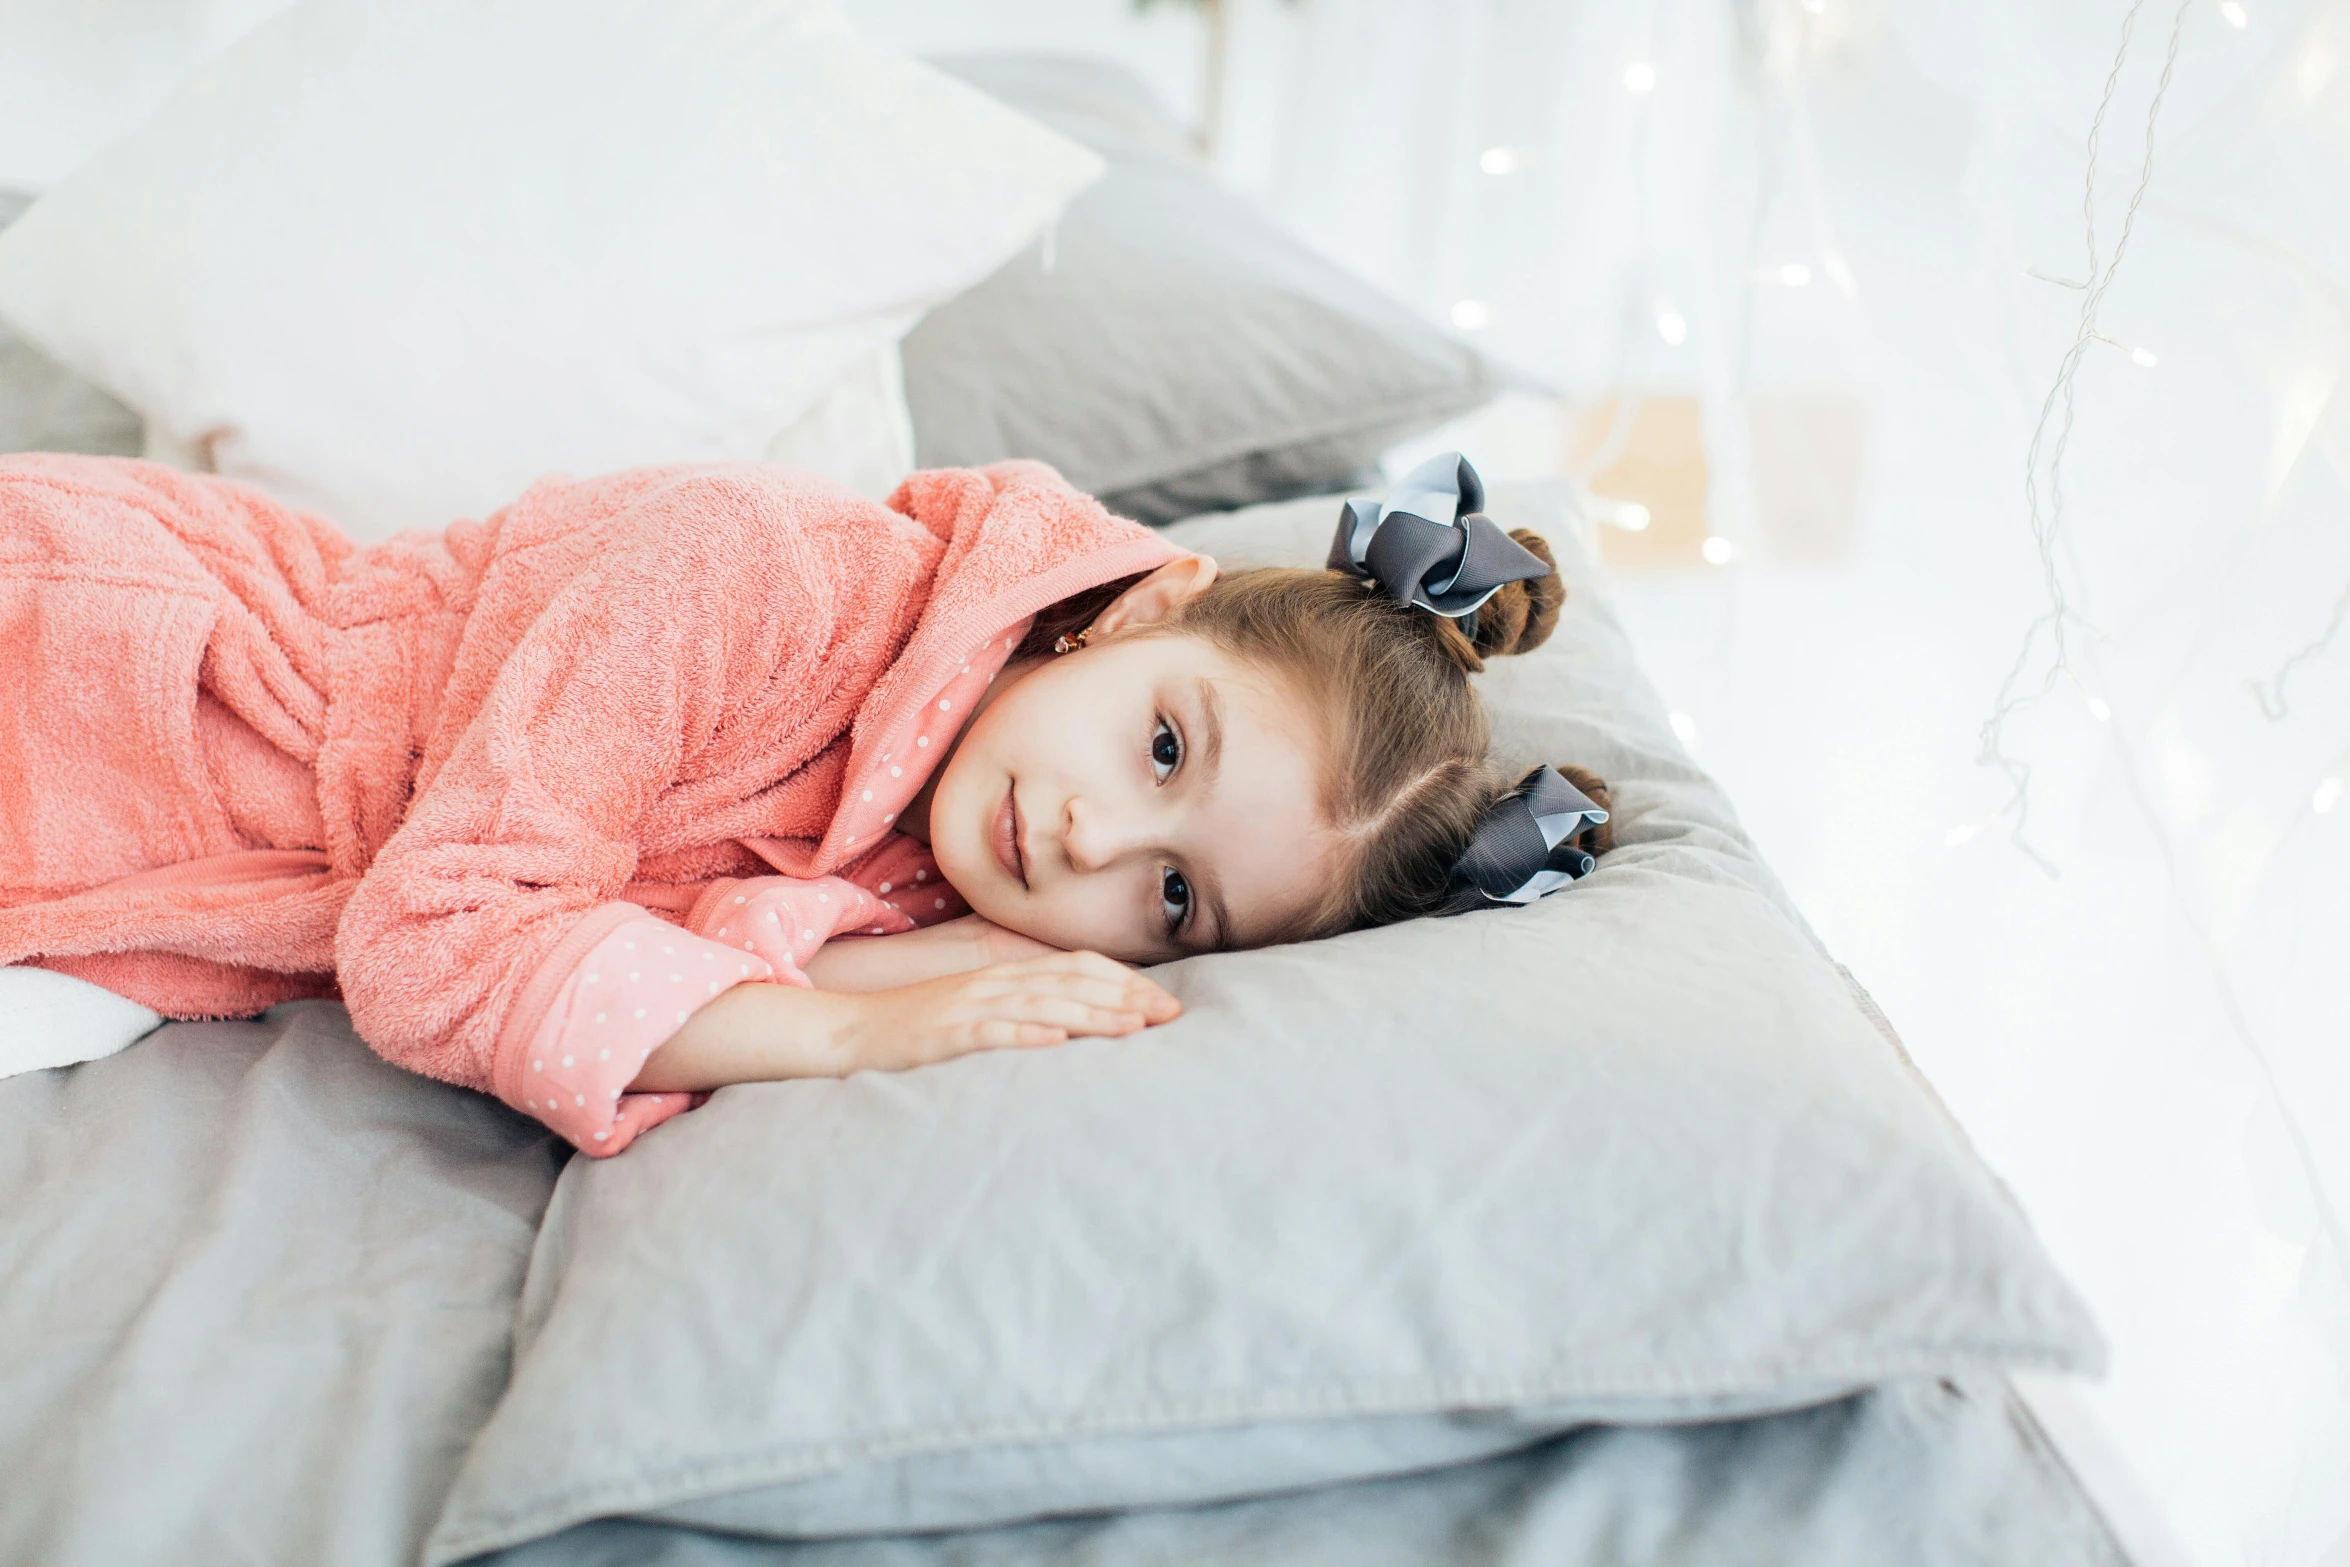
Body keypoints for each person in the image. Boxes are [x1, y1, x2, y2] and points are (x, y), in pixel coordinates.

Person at [0, 449, 1609, 1152]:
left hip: (179, 857)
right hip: (107, 668)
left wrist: (967, 984)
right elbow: (437, 948)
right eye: (1165, 747)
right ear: (1131, 609)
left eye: (1176, 896)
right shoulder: (750, 570)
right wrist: (856, 1035)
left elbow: (724, 947)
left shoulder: (949, 855)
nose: (1092, 842)